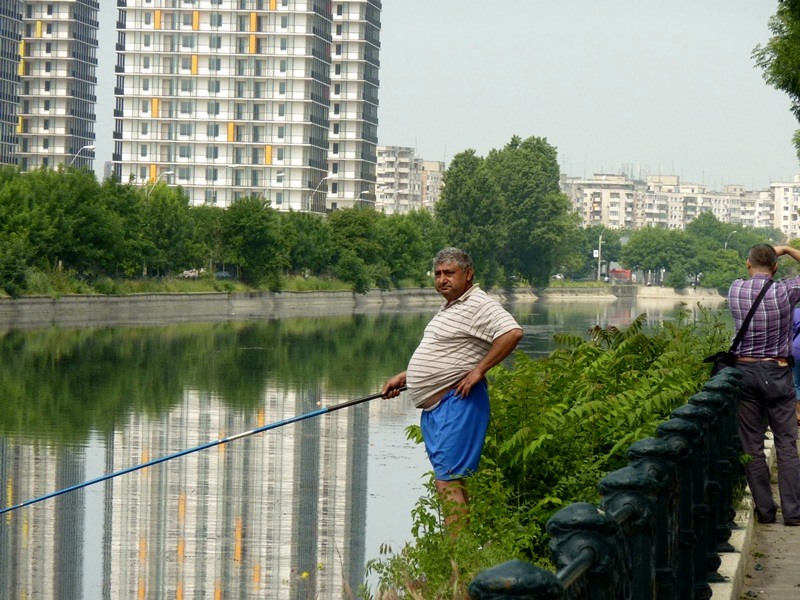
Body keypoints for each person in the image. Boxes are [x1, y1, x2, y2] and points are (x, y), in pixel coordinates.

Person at [382, 247, 523, 528]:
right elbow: (447, 356)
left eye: (450, 273)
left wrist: (479, 370)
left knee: (447, 480)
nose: (442, 279)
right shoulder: (451, 307)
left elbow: (512, 332)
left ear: (468, 274)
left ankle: (458, 563)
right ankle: (464, 557)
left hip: (457, 402)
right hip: (439, 408)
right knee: (450, 478)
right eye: (438, 274)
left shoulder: (479, 304)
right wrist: (407, 376)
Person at [729, 244, 800, 525]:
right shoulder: (785, 291)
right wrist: (786, 249)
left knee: (752, 446)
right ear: (775, 267)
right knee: (787, 445)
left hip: (744, 373)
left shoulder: (735, 289)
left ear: (748, 265)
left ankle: (766, 511)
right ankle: (794, 513)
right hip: (778, 372)